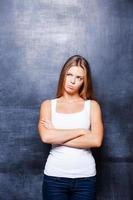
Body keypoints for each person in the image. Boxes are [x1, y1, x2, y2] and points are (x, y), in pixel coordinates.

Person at [38, 55, 104, 200]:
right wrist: (81, 131)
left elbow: (96, 141)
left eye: (79, 78)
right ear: (63, 75)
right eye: (69, 75)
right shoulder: (48, 105)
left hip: (86, 178)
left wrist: (57, 134)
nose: (72, 81)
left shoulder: (92, 106)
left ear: (84, 81)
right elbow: (46, 137)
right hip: (54, 177)